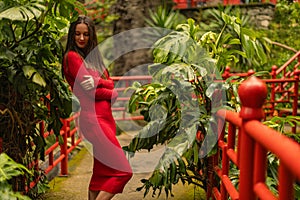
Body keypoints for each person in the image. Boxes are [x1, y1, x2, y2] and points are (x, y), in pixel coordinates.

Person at [62, 15, 132, 200]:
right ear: (72, 35)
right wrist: (112, 92)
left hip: (106, 120)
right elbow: (90, 92)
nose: (81, 38)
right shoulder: (72, 57)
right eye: (77, 34)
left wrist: (98, 82)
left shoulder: (94, 60)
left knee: (101, 174)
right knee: (124, 171)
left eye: (86, 34)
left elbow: (103, 83)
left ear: (92, 35)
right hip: (94, 121)